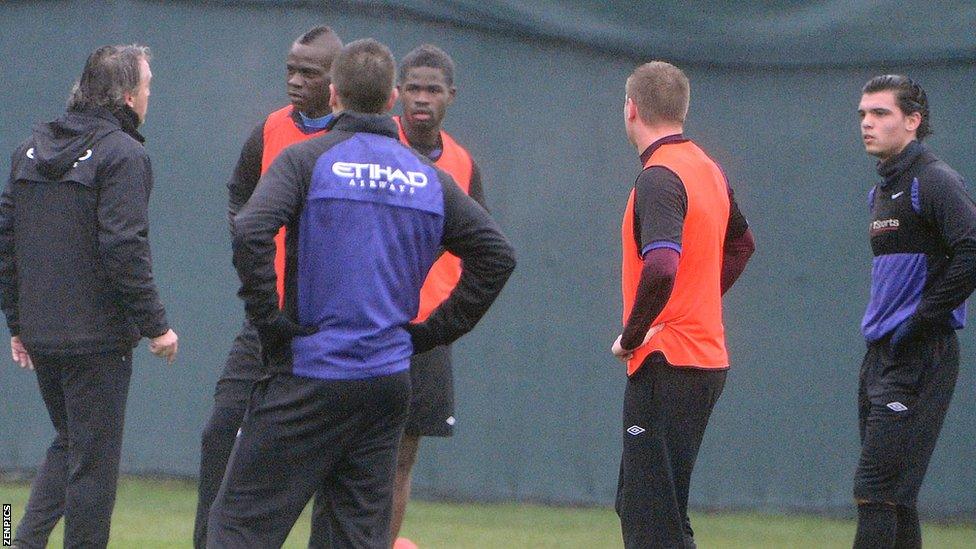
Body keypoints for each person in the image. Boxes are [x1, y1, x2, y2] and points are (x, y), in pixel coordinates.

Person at [207, 38, 515, 548]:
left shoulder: (306, 160)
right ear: (392, 99)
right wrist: (428, 334)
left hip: (309, 371)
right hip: (384, 384)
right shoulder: (427, 178)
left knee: (239, 528)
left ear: (334, 95)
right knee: (353, 538)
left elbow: (250, 229)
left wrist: (271, 324)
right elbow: (498, 257)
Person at [0, 44, 178, 549]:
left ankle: (16, 540)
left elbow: (5, 243)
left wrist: (18, 323)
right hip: (97, 344)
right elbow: (124, 247)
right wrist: (156, 326)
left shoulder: (25, 152)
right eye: (146, 89)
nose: (149, 98)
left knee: (72, 445)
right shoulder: (125, 155)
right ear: (127, 96)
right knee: (94, 472)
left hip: (43, 336)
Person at [191, 25, 343, 549]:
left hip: (332, 328)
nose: (295, 81)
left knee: (337, 458)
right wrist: (254, 254)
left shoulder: (359, 139)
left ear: (337, 80)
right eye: (290, 70)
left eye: (309, 72)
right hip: (266, 319)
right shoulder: (269, 130)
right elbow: (238, 197)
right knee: (220, 433)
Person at [611, 61, 754, 548]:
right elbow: (742, 245)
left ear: (631, 109)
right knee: (645, 504)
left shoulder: (659, 176)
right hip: (702, 361)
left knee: (651, 517)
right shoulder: (706, 168)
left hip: (668, 361)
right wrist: (697, 303)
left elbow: (663, 267)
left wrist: (633, 334)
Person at [852, 75, 976, 549]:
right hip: (882, 355)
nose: (867, 123)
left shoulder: (934, 180)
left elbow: (971, 250)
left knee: (875, 492)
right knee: (895, 497)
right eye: (863, 113)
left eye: (880, 113)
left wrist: (920, 322)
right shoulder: (882, 191)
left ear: (913, 120)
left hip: (920, 355)